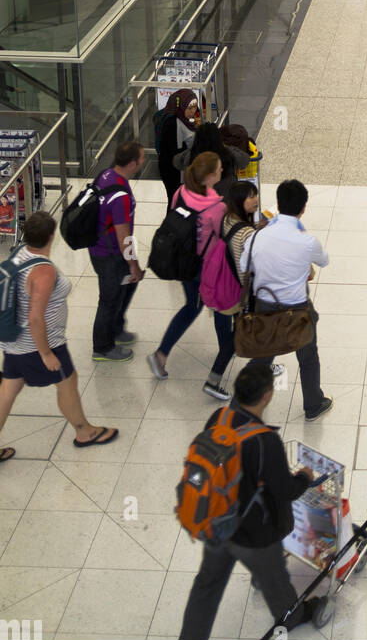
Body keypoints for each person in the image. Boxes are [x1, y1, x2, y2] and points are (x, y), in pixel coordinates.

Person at [178, 359, 329, 640]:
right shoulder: (264, 441)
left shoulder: (219, 418)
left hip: (216, 522)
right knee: (276, 582)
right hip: (254, 535)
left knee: (206, 588)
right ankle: (295, 616)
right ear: (267, 396)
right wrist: (305, 477)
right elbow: (284, 491)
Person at [0, 212, 119, 460]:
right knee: (67, 381)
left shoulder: (20, 253)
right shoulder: (43, 271)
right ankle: (84, 432)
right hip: (39, 343)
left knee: (9, 388)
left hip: (14, 340)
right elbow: (35, 317)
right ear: (52, 236)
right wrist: (46, 354)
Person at [147, 153, 240, 403]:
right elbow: (227, 239)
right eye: (219, 170)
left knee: (191, 306)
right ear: (209, 176)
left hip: (183, 263)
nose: (221, 172)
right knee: (221, 308)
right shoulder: (216, 207)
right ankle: (221, 363)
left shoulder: (180, 193)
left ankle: (162, 354)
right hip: (208, 268)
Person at [239, 180, 332, 421]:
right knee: (308, 357)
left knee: (262, 358)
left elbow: (243, 266)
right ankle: (313, 404)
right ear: (304, 208)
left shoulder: (256, 237)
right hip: (297, 310)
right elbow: (323, 260)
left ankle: (239, 406)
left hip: (265, 307)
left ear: (278, 204)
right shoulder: (307, 241)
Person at [89, 139, 146, 363]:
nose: (143, 162)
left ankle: (116, 328)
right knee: (109, 299)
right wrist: (133, 264)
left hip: (100, 248)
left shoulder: (106, 175)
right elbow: (124, 238)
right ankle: (102, 347)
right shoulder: (120, 196)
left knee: (127, 285)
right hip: (111, 255)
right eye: (141, 159)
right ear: (132, 163)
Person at [173, 120, 246, 196]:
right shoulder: (228, 153)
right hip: (225, 198)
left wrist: (192, 149)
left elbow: (176, 162)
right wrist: (226, 147)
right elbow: (244, 161)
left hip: (199, 201)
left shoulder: (191, 155)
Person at [157, 89, 201, 200]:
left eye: (195, 107)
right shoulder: (173, 123)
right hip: (174, 172)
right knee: (175, 201)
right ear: (181, 107)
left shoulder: (186, 119)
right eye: (189, 108)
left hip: (181, 169)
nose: (192, 111)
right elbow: (175, 153)